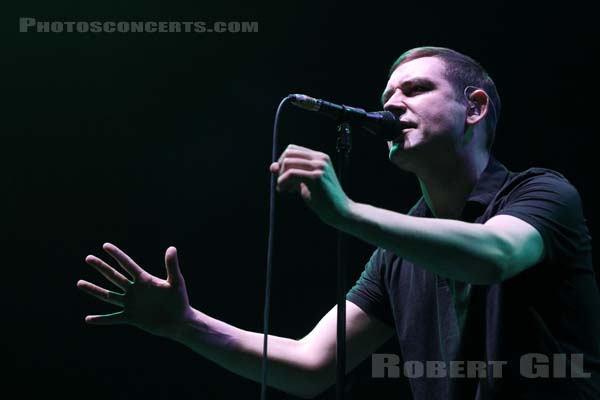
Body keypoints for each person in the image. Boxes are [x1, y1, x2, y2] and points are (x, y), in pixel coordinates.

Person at [77, 46, 600, 399]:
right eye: (386, 97)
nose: (392, 104)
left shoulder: (541, 193)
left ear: (474, 107)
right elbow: (312, 364)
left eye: (415, 90)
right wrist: (185, 326)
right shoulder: (396, 254)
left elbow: (495, 256)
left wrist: (347, 213)